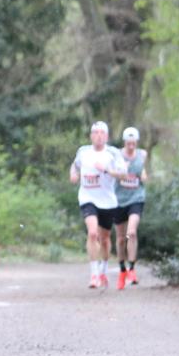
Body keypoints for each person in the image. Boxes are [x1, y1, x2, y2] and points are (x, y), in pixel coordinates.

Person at [69, 121, 127, 289]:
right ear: (91, 135)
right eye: (95, 132)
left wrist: (106, 170)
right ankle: (94, 274)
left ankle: (103, 270)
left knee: (105, 239)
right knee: (92, 233)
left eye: (102, 133)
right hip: (88, 197)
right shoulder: (83, 152)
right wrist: (74, 174)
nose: (98, 136)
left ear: (107, 136)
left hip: (108, 201)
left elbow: (123, 175)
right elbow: (75, 166)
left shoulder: (113, 153)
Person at [114, 126, 148, 290]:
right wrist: (120, 173)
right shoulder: (117, 155)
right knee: (121, 239)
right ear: (125, 142)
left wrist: (144, 176)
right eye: (128, 143)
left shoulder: (142, 155)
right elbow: (111, 172)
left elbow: (143, 172)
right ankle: (122, 270)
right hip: (118, 200)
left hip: (136, 198)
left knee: (131, 232)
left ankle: (132, 269)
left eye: (134, 143)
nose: (131, 146)